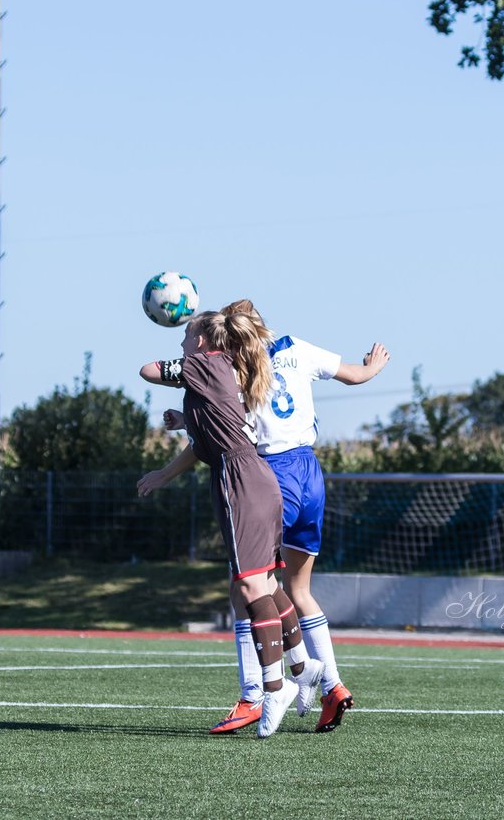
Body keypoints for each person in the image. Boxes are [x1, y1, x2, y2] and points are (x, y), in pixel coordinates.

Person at [156, 299, 389, 735]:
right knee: (297, 590)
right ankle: (330, 683)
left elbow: (221, 433)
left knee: (245, 586)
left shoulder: (236, 368)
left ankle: (255, 693)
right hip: (311, 474)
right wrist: (372, 366)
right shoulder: (295, 348)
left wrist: (183, 426)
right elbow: (357, 376)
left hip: (268, 476)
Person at [137, 308, 324, 737]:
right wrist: (188, 422)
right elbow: (213, 437)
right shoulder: (225, 367)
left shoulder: (205, 363)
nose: (182, 343)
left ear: (202, 342)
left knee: (248, 586)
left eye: (186, 336)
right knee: (266, 584)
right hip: (252, 477)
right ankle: (301, 665)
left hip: (242, 481)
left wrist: (180, 363)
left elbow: (147, 370)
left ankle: (273, 687)